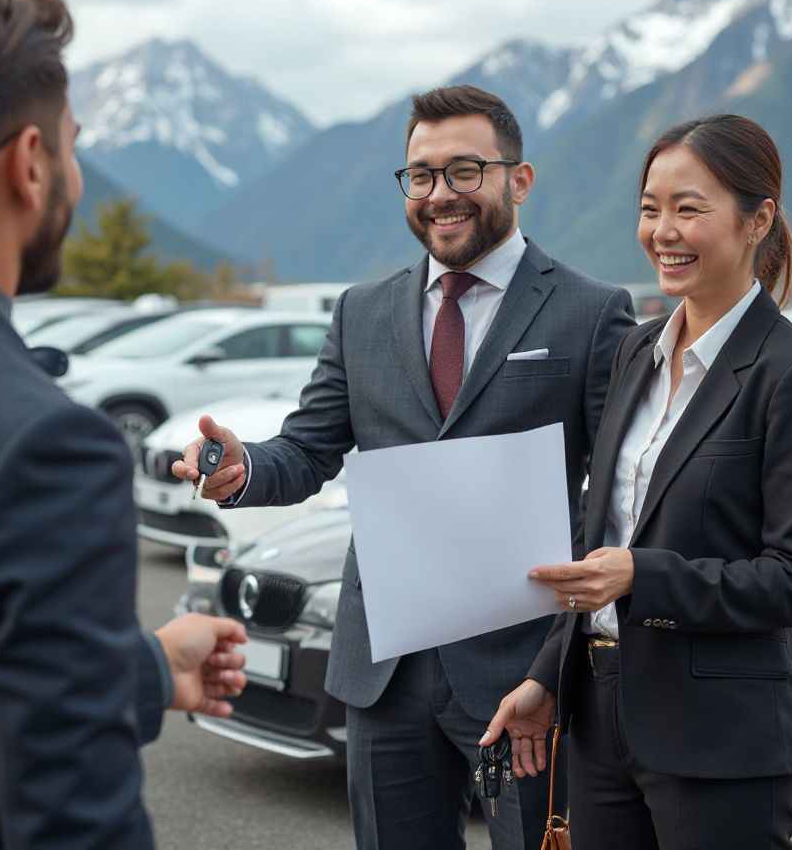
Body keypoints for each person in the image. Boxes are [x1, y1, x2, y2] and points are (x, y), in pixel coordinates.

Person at [174, 84, 635, 850]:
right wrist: (243, 467)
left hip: (523, 666)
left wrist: (565, 656)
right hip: (384, 665)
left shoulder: (591, 312)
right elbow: (309, 448)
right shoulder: (363, 311)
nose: (439, 194)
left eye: (464, 171)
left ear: (518, 180)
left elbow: (613, 491)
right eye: (420, 175)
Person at [0, 0, 248, 850]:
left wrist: (148, 666)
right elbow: (73, 823)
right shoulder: (43, 444)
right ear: (31, 162)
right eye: (74, 147)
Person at [481, 114, 792, 850]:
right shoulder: (635, 350)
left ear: (759, 220)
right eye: (651, 208)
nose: (662, 231)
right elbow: (601, 546)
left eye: (689, 208)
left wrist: (639, 577)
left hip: (720, 740)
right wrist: (547, 678)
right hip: (600, 721)